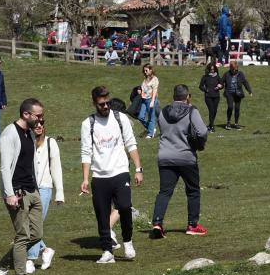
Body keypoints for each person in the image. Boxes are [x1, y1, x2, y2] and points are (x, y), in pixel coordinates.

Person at [0, 98, 46, 275]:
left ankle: (1, 267)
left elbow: (29, 163)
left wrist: (36, 189)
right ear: (26, 114)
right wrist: (10, 194)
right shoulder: (9, 133)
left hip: (32, 191)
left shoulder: (29, 133)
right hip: (17, 193)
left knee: (36, 235)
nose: (40, 120)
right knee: (22, 237)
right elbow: (5, 166)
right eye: (37, 116)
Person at [80, 86, 143, 264]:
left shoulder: (120, 118)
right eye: (101, 104)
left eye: (108, 103)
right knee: (102, 215)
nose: (106, 107)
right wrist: (85, 178)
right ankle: (107, 251)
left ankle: (128, 241)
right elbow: (86, 152)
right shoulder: (88, 124)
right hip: (99, 176)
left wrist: (138, 169)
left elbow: (131, 144)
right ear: (94, 103)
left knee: (124, 206)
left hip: (120, 171)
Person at [150, 84, 208, 238]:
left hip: (165, 156)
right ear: (187, 96)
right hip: (186, 157)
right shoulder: (191, 111)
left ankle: (157, 223)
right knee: (193, 191)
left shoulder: (163, 112)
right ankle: (192, 225)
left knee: (164, 192)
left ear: (173, 96)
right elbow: (202, 131)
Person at [25, 117, 64, 273]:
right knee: (27, 225)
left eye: (42, 123)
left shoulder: (51, 143)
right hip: (27, 189)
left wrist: (59, 192)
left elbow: (56, 168)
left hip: (44, 189)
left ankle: (30, 259)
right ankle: (45, 250)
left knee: (35, 225)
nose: (39, 126)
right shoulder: (26, 142)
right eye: (36, 124)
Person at [221, 62, 252, 130]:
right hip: (229, 93)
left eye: (235, 69)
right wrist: (219, 86)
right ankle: (228, 123)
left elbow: (245, 82)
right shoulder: (226, 74)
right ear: (231, 68)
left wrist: (249, 91)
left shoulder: (240, 74)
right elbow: (221, 82)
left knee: (237, 108)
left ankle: (236, 123)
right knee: (230, 107)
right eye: (233, 69)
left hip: (238, 93)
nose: (234, 71)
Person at [198, 63, 223, 132]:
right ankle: (211, 126)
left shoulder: (217, 76)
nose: (212, 70)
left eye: (213, 69)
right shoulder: (205, 77)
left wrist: (219, 87)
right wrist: (206, 90)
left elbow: (222, 85)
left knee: (215, 111)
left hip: (216, 96)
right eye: (211, 69)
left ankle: (210, 124)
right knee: (211, 110)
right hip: (208, 96)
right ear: (208, 69)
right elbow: (200, 86)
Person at [137, 64, 159, 139]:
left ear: (151, 70)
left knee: (151, 117)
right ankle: (151, 129)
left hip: (151, 99)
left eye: (146, 70)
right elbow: (143, 87)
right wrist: (140, 90)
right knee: (140, 117)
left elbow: (155, 91)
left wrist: (152, 101)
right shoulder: (145, 79)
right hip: (144, 100)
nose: (145, 72)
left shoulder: (155, 79)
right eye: (144, 70)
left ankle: (150, 134)